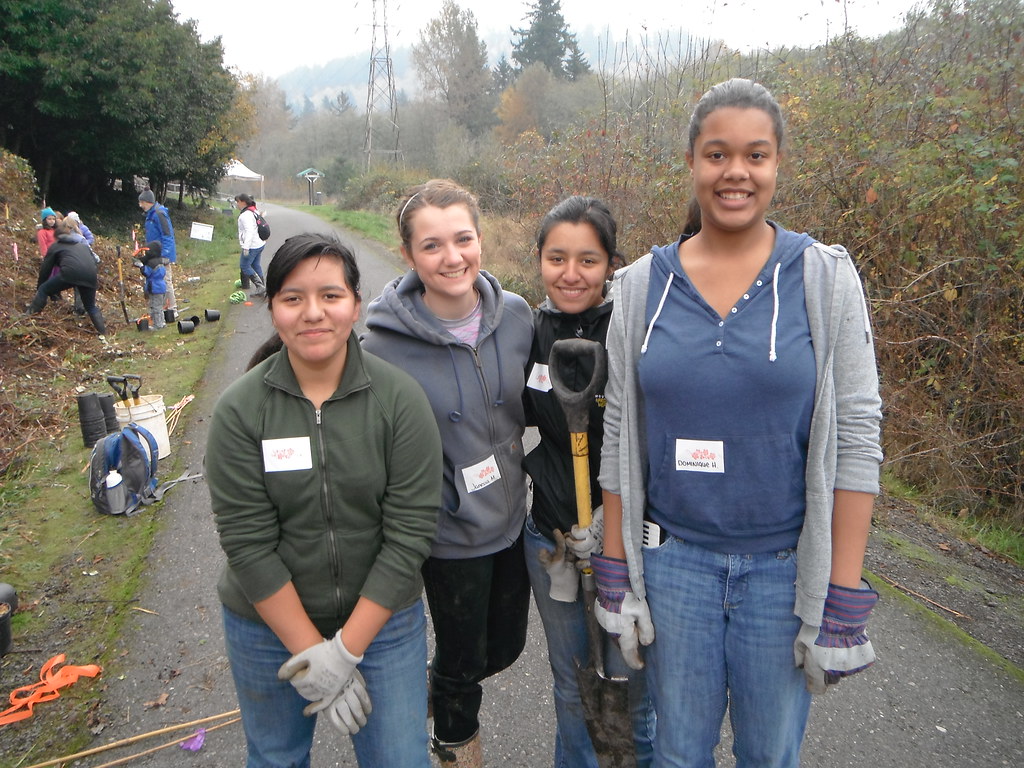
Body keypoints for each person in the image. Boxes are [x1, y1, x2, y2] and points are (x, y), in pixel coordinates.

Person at [594, 78, 884, 767]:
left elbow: (857, 436)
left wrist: (841, 591)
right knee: (678, 754)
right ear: (692, 161)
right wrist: (615, 567)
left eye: (756, 156)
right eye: (717, 154)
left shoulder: (824, 277)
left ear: (778, 163)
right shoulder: (639, 288)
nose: (736, 173)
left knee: (768, 756)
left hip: (783, 577)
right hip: (674, 567)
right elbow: (619, 437)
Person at [205, 233, 444, 768]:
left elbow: (409, 534)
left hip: (381, 627)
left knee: (400, 759)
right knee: (275, 759)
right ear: (273, 310)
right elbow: (247, 543)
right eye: (293, 298)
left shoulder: (399, 401)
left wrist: (344, 652)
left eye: (331, 296)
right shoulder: (240, 411)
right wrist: (310, 651)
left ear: (356, 304)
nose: (313, 313)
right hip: (264, 627)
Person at [361, 179, 534, 767]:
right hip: (449, 532)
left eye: (463, 239)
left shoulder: (516, 317)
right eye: (432, 246)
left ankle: (434, 689)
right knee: (464, 660)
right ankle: (456, 743)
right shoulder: (382, 344)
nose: (452, 257)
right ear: (408, 256)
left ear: (481, 240)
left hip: (513, 517)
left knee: (506, 645)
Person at [522, 195, 655, 768]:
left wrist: (609, 523)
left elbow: (658, 438)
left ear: (610, 263)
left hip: (621, 541)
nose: (570, 274)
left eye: (588, 260)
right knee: (573, 685)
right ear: (540, 260)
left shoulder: (635, 325)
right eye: (556, 259)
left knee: (630, 691)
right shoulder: (529, 329)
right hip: (549, 537)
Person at [26, 218, 107, 337]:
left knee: (44, 289)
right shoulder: (82, 246)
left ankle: (29, 317)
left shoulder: (56, 246)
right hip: (91, 275)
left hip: (70, 273)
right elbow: (93, 261)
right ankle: (104, 333)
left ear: (57, 237)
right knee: (90, 306)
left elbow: (46, 269)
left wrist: (40, 287)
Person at [138, 189, 178, 317]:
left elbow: (167, 235)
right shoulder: (150, 215)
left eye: (142, 202)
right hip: (153, 254)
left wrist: (165, 254)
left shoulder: (159, 214)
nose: (140, 205)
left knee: (166, 281)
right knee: (156, 280)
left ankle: (172, 310)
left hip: (162, 254)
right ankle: (160, 309)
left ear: (147, 202)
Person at [235, 193, 268, 297]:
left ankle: (260, 287)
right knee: (255, 265)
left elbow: (249, 231)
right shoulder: (253, 210)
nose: (237, 204)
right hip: (259, 243)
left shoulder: (245, 215)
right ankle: (262, 287)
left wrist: (246, 247)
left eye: (238, 202)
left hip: (252, 245)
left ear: (243, 202)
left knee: (244, 266)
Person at [137, 241, 167, 329]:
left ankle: (158, 325)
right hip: (161, 286)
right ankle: (162, 322)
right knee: (159, 307)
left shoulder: (151, 263)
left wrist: (140, 266)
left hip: (155, 288)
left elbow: (146, 272)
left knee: (155, 307)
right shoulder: (160, 261)